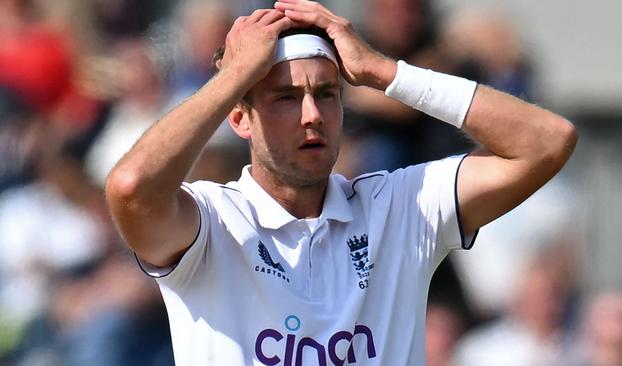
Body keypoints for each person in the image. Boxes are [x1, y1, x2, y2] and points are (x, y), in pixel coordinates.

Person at [104, 0, 577, 364]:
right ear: (240, 118)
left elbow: (548, 141)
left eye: (326, 94)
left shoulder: (400, 207)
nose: (312, 115)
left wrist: (385, 72)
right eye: (286, 98)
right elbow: (130, 188)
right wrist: (233, 77)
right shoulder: (210, 221)